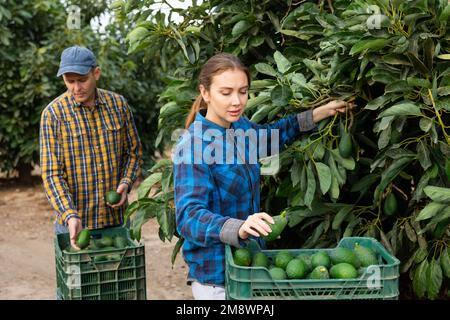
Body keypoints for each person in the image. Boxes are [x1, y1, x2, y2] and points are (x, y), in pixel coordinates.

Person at [172, 53, 354, 300]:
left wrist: (319, 113)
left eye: (243, 91)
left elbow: (272, 136)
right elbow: (189, 216)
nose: (236, 101)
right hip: (217, 278)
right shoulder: (192, 146)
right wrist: (238, 228)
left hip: (251, 266)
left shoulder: (239, 127)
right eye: (225, 93)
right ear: (205, 93)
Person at [40, 46, 142, 249]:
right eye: (70, 81)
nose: (76, 88)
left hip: (116, 222)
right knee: (80, 281)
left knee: (120, 279)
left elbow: (133, 152)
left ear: (96, 73)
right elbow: (51, 174)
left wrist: (125, 182)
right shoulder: (53, 115)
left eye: (82, 80)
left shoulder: (118, 106)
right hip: (75, 225)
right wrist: (70, 215)